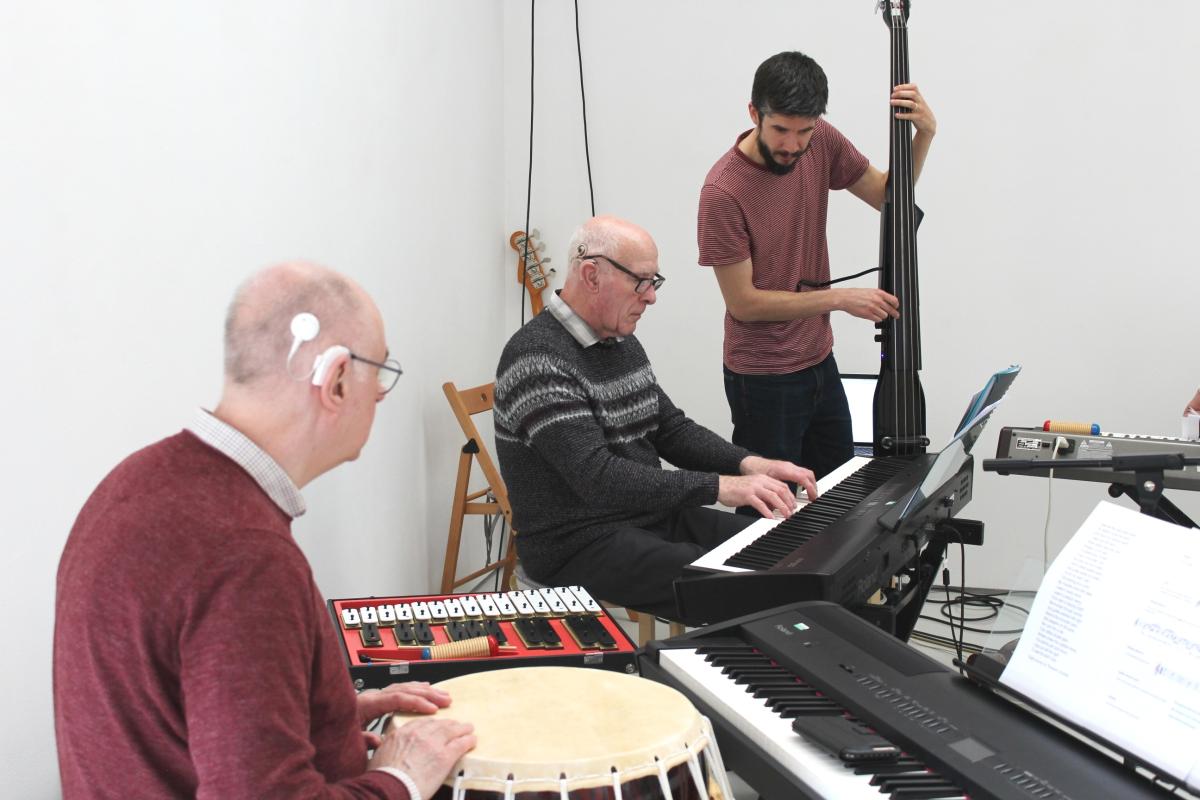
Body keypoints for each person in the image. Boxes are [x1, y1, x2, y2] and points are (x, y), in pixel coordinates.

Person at [53, 262, 475, 799]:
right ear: (337, 379)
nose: (383, 395)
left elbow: (173, 714)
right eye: (381, 370)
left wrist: (323, 712)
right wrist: (402, 779)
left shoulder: (135, 480)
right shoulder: (244, 554)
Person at [493, 216, 817, 619]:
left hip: (649, 518)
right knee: (749, 591)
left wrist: (750, 462)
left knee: (795, 554)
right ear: (592, 274)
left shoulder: (618, 340)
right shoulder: (537, 360)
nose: (651, 297)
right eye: (640, 282)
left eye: (654, 281)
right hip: (577, 544)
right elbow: (598, 477)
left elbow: (670, 428)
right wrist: (719, 487)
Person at [697, 50, 937, 484]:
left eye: (803, 131)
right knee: (773, 515)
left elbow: (888, 196)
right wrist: (840, 299)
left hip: (818, 360)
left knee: (838, 495)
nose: (792, 145)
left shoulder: (821, 139)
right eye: (780, 130)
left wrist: (924, 135)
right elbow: (744, 303)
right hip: (763, 377)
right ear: (754, 113)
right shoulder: (723, 191)